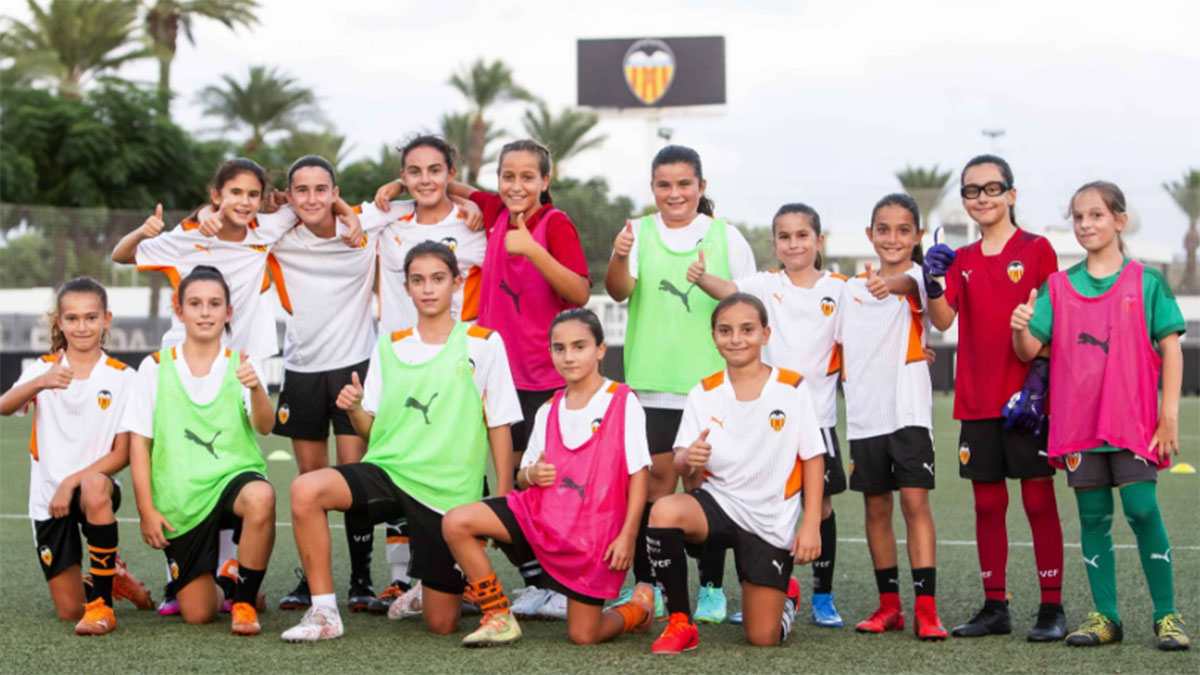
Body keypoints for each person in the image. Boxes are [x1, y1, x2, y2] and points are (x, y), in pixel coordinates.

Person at [111, 158, 358, 614]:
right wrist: (146, 231)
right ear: (216, 195)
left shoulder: (266, 228)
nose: (244, 202)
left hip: (235, 366)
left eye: (252, 195)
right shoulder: (191, 237)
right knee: (180, 463)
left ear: (263, 200)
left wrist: (349, 212)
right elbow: (121, 256)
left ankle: (233, 574)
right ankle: (181, 574)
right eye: (234, 194)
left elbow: (315, 204)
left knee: (226, 460)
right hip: (185, 361)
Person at [377, 138, 589, 618]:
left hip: (539, 380)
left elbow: (579, 291)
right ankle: (509, 582)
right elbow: (448, 183)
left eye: (527, 177)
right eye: (507, 177)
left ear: (546, 181)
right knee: (499, 490)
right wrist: (397, 184)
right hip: (490, 376)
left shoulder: (555, 224)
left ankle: (558, 584)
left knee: (534, 489)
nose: (516, 186)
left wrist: (532, 250)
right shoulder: (491, 209)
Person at [281, 242, 521, 642]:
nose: (428, 289)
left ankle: (429, 588)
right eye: (418, 280)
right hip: (390, 472)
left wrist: (500, 498)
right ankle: (323, 611)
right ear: (406, 288)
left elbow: (499, 424)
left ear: (457, 283)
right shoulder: (389, 345)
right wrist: (356, 407)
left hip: (448, 494)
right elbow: (371, 432)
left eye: (438, 279)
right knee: (306, 488)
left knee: (441, 623)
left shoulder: (483, 342)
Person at [1012, 181, 1189, 651]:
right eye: (1078, 216)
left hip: (1132, 422)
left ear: (1119, 221)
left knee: (1141, 509)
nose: (1086, 224)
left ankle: (1167, 616)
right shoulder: (1058, 286)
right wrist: (1021, 326)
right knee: (1092, 518)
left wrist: (1168, 414)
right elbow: (1030, 348)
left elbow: (1171, 348)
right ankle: (1105, 617)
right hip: (1077, 424)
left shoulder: (1145, 281)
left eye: (1096, 215)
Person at [604, 145, 757, 620]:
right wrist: (616, 256)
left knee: (706, 489)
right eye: (664, 185)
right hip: (649, 386)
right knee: (650, 490)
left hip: (709, 389)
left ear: (701, 187)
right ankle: (645, 590)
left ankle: (711, 588)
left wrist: (710, 280)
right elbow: (618, 290)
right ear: (653, 189)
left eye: (684, 184)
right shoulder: (637, 232)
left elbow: (748, 301)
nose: (675, 193)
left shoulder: (725, 236)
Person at [441, 308, 652, 646]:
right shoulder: (547, 409)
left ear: (600, 349)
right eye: (559, 348)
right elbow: (523, 479)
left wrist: (627, 536)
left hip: (592, 536)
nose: (568, 356)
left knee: (585, 636)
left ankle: (637, 609)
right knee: (456, 521)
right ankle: (498, 615)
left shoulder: (622, 401)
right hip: (540, 518)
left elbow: (639, 476)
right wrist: (531, 474)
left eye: (579, 346)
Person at [924, 155, 1066, 641]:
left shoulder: (1039, 249)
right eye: (971, 190)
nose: (981, 197)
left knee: (1038, 501)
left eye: (991, 188)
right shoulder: (960, 259)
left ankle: (1052, 607)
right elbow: (943, 321)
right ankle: (995, 606)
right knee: (987, 505)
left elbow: (1052, 322)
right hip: (976, 400)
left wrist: (1039, 380)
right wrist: (931, 280)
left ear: (1011, 193)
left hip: (1028, 401)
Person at [688, 203, 847, 627]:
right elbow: (727, 292)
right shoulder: (763, 283)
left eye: (802, 235)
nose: (793, 244)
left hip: (819, 419)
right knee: (751, 500)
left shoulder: (839, 288)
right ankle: (769, 585)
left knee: (822, 509)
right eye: (784, 236)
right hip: (767, 422)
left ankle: (823, 595)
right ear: (774, 244)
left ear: (819, 241)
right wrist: (702, 278)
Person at [641, 293, 824, 654]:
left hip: (769, 518)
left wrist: (812, 523)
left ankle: (785, 596)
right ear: (714, 337)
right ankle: (680, 621)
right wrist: (688, 457)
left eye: (747, 329)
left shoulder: (791, 388)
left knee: (763, 638)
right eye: (725, 330)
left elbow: (814, 458)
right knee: (663, 511)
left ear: (765, 334)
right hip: (720, 504)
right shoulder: (703, 392)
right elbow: (679, 460)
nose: (736, 338)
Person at [262, 155, 389, 613]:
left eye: (321, 189)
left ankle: (361, 580)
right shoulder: (279, 232)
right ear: (290, 196)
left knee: (352, 480)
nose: (311, 198)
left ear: (335, 193)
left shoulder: (365, 225)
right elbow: (230, 216)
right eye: (301, 190)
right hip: (301, 371)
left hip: (354, 367)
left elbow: (419, 191)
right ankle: (310, 580)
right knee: (309, 485)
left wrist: (387, 187)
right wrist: (272, 204)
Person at [124, 266, 277, 636]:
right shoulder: (154, 367)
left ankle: (244, 601)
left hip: (231, 479)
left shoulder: (241, 365)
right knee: (198, 614)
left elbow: (265, 426)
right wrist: (146, 509)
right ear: (180, 312)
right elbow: (139, 444)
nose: (205, 312)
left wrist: (257, 389)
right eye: (195, 303)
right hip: (182, 497)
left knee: (261, 496)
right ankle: (227, 582)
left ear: (228, 312)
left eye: (214, 304)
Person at [0, 278, 152, 635]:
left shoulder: (124, 378)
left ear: (106, 320)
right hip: (46, 498)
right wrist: (41, 382)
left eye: (90, 318)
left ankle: (101, 608)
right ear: (59, 323)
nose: (81, 327)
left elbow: (123, 453)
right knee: (69, 611)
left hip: (90, 490)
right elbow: (5, 407)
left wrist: (71, 483)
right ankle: (111, 575)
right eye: (72, 318)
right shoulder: (42, 368)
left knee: (96, 488)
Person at [838, 194, 946, 641]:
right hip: (865, 417)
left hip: (908, 414)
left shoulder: (921, 278)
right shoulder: (849, 289)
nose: (893, 238)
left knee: (914, 504)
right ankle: (889, 606)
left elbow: (917, 293)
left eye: (904, 230)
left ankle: (926, 609)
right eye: (883, 229)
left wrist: (895, 284)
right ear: (870, 234)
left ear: (917, 236)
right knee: (876, 508)